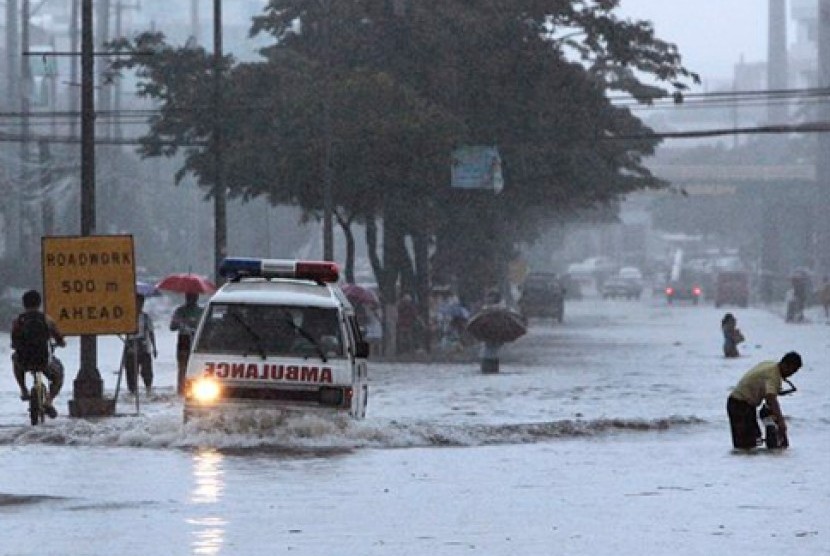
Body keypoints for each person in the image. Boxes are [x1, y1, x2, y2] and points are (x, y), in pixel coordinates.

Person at [726, 351, 802, 449]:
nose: (791, 375)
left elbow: (763, 387)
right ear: (785, 365)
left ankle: (748, 462)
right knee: (745, 444)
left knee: (751, 442)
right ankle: (743, 462)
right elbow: (771, 398)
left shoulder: (770, 365)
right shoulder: (774, 375)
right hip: (740, 405)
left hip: (742, 404)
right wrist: (781, 422)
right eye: (792, 371)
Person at [10, 289, 66, 417]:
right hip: (44, 361)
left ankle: (24, 390)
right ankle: (49, 401)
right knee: (59, 374)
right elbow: (59, 338)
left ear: (24, 304)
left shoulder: (18, 321)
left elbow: (14, 342)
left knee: (14, 358)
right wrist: (61, 343)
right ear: (39, 303)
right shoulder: (46, 320)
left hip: (24, 361)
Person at [123, 294, 157, 396]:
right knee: (130, 370)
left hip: (143, 346)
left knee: (146, 370)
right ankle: (132, 391)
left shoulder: (146, 317)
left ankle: (148, 388)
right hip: (130, 345)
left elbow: (151, 332)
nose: (139, 305)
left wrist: (154, 347)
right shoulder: (127, 316)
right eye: (137, 302)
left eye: (141, 303)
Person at [170, 293, 203, 395]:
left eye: (193, 296)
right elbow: (172, 327)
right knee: (183, 367)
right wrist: (179, 322)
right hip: (183, 340)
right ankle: (181, 390)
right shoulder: (179, 311)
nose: (190, 299)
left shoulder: (201, 311)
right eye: (188, 296)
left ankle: (195, 390)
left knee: (197, 367)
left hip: (197, 341)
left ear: (197, 297)